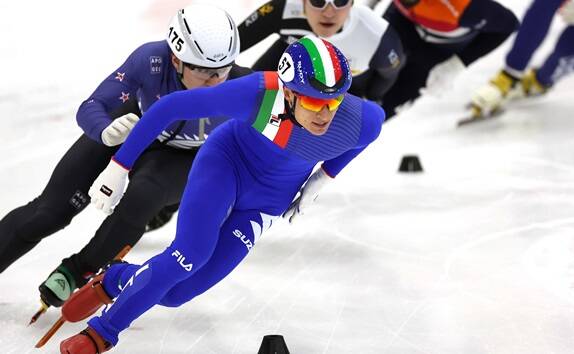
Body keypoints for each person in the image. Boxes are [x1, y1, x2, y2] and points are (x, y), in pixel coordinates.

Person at [56, 35, 383, 353]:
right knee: (189, 256)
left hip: (267, 203)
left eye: (333, 101)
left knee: (175, 294)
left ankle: (116, 278)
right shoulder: (259, 94)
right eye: (313, 101)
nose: (325, 115)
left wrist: (324, 177)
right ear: (288, 92)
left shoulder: (361, 121)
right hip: (226, 166)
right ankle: (99, 335)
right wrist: (119, 165)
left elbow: (367, 134)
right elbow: (169, 108)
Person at [0, 4, 249, 310]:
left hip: (179, 160)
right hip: (128, 129)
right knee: (48, 213)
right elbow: (91, 105)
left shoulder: (241, 84)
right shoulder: (151, 60)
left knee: (143, 195)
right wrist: (105, 131)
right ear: (176, 59)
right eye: (203, 70)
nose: (215, 81)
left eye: (222, 69)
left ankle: (77, 269)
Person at [368, 0, 519, 119]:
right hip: (403, 21)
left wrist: (457, 64)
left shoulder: (464, 7)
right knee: (362, 73)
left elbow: (508, 24)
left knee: (390, 103)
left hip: (439, 49)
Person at [238, 0, 405, 103]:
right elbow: (233, 41)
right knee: (246, 92)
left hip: (346, 87)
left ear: (352, 3)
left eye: (339, 1)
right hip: (289, 60)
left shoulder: (378, 37)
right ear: (302, 2)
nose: (329, 13)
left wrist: (373, 96)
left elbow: (388, 75)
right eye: (318, 1)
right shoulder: (282, 9)